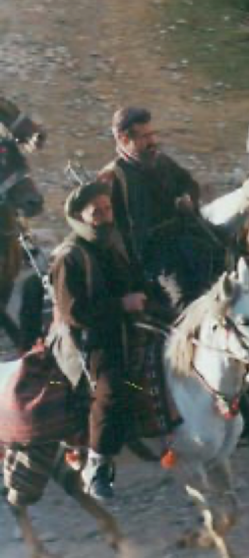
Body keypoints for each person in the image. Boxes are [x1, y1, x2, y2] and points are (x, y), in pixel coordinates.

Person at [49, 182, 149, 500]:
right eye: (97, 212)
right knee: (112, 389)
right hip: (89, 339)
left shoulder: (115, 240)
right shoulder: (70, 256)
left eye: (108, 209)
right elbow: (73, 312)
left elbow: (137, 280)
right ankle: (98, 464)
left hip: (128, 325)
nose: (106, 216)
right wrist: (122, 305)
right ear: (80, 216)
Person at [98, 107, 223, 310]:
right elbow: (110, 232)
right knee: (183, 293)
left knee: (224, 254)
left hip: (183, 236)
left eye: (153, 134)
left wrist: (188, 198)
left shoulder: (160, 160)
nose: (152, 141)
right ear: (123, 139)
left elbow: (188, 183)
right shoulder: (113, 179)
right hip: (151, 255)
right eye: (145, 136)